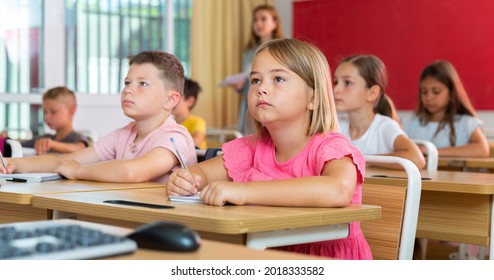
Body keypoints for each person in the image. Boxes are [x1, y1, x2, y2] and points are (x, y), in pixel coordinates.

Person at [168, 38, 372, 260]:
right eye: (255, 80)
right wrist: (186, 180)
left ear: (312, 97)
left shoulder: (331, 146)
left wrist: (244, 192)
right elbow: (203, 173)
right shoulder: (251, 148)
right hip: (270, 254)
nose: (261, 89)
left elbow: (337, 190)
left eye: (278, 79)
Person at [1, 50, 197, 183]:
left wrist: (77, 171)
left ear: (171, 100)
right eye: (127, 82)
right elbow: (65, 162)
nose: (128, 90)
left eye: (142, 84)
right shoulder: (124, 135)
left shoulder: (175, 137)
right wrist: (13, 164)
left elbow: (131, 172)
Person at [333, 55, 425, 169]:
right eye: (336, 82)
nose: (336, 89)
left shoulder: (384, 126)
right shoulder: (336, 126)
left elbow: (416, 159)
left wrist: (362, 159)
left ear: (372, 93)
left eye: (347, 83)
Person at [403, 60, 489, 157]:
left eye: (436, 91)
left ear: (452, 92)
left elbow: (482, 149)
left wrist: (432, 152)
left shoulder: (466, 124)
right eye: (424, 92)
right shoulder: (411, 124)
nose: (428, 97)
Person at [224, 4, 283, 135]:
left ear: (275, 23)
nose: (258, 24)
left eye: (263, 19)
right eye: (255, 20)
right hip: (250, 103)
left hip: (271, 101)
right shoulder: (249, 52)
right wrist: (239, 86)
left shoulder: (282, 51)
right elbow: (248, 82)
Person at [21, 86, 90, 155]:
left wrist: (52, 144)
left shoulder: (79, 139)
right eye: (45, 112)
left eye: (53, 112)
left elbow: (80, 149)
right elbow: (16, 146)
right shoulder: (44, 138)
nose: (46, 117)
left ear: (72, 110)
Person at [173, 78, 207, 149]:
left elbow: (197, 141)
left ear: (190, 101)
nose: (171, 101)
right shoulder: (169, 123)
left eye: (176, 97)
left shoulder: (197, 122)